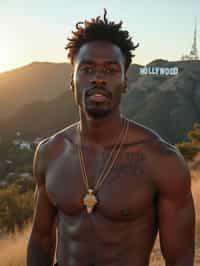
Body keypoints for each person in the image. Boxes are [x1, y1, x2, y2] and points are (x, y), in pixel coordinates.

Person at [27, 9, 195, 266]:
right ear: (72, 81)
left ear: (125, 82)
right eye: (87, 69)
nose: (98, 78)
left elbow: (180, 258)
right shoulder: (50, 153)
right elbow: (40, 240)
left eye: (110, 69)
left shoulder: (161, 160)